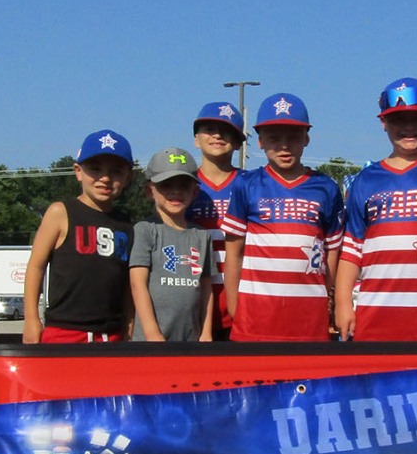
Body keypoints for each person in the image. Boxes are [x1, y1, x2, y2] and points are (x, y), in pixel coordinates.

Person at [334, 78, 417, 341]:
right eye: (398, 120)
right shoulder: (366, 179)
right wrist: (343, 303)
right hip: (376, 313)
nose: (409, 127)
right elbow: (352, 249)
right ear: (383, 123)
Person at [220, 94, 344, 342]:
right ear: (260, 141)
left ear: (307, 138)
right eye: (274, 138)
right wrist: (235, 307)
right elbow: (234, 252)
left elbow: (332, 253)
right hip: (255, 318)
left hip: (308, 320)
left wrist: (320, 294)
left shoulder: (326, 187)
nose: (284, 146)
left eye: (294, 137)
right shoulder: (247, 184)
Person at [22, 131, 135, 343]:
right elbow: (35, 266)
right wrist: (31, 318)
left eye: (116, 171)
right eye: (95, 169)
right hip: (64, 331)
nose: (105, 178)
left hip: (112, 334)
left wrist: (129, 322)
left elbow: (127, 283)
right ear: (78, 171)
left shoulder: (126, 224)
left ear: (128, 176)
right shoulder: (60, 212)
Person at [129, 148, 216, 342]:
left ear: (194, 192)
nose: (175, 191)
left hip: (191, 340)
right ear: (149, 190)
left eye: (183, 185)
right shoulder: (145, 230)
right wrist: (153, 334)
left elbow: (206, 290)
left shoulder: (202, 236)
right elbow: (138, 284)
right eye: (166, 184)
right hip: (152, 342)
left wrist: (206, 332)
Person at [187, 101, 245, 339]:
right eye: (209, 129)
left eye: (227, 131)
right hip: (193, 306)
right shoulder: (180, 186)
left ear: (239, 142)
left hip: (242, 305)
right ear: (196, 139)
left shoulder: (251, 184)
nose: (218, 135)